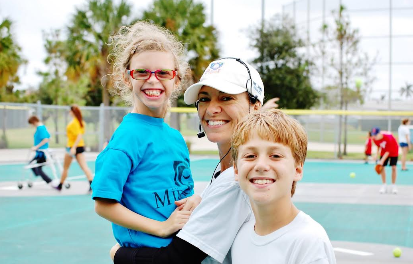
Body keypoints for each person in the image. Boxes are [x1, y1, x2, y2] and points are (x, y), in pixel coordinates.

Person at [111, 57, 267, 264]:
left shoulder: (238, 180)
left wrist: (118, 253)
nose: (211, 109)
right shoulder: (232, 171)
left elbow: (174, 261)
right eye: (204, 99)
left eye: (226, 98)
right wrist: (202, 200)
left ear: (255, 105)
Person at [91, 21, 198, 252]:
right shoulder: (127, 138)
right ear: (127, 78)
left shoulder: (176, 138)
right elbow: (103, 204)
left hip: (182, 250)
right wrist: (160, 227)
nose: (152, 79)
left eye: (163, 73)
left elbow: (181, 192)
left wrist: (194, 201)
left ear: (176, 79)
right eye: (141, 72)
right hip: (147, 254)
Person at [230, 109, 336, 263]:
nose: (261, 165)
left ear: (297, 170)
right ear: (236, 170)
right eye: (250, 156)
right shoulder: (240, 233)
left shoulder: (309, 242)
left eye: (275, 156)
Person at [54, 105, 94, 191]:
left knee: (65, 168)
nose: (69, 112)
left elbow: (79, 135)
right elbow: (78, 134)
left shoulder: (74, 123)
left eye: (70, 111)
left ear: (73, 112)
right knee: (84, 167)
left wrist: (73, 148)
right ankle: (91, 184)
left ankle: (60, 185)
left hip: (72, 147)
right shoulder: (80, 122)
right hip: (79, 146)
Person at [371, 127, 399, 194]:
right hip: (384, 151)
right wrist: (376, 154)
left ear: (380, 133)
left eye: (376, 135)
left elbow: (388, 151)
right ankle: (384, 185)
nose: (374, 136)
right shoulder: (374, 139)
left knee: (393, 167)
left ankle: (393, 185)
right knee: (382, 167)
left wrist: (381, 161)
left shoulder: (388, 137)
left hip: (393, 151)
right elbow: (378, 145)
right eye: (373, 134)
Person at [27, 115, 52, 185]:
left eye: (32, 124)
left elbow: (46, 139)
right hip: (40, 152)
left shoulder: (41, 128)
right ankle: (43, 177)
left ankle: (48, 180)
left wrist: (36, 147)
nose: (32, 125)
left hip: (42, 152)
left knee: (37, 167)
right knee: (33, 165)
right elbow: (49, 137)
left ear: (34, 122)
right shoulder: (41, 127)